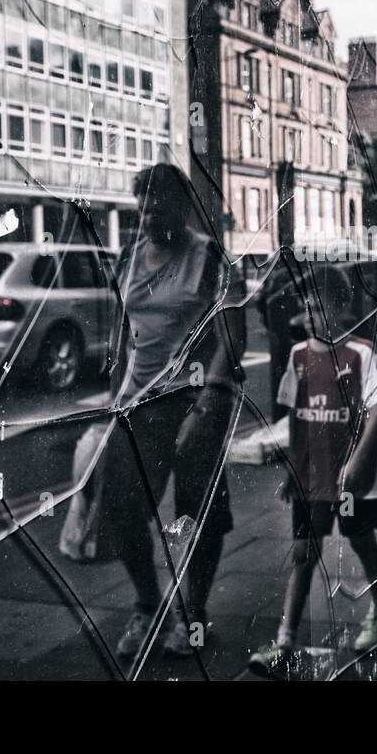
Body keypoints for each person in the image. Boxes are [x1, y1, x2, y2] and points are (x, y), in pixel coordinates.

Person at [103, 163, 246, 664]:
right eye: (141, 205)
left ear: (183, 207)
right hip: (139, 404)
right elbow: (122, 330)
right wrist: (115, 396)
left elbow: (233, 340)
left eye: (157, 206)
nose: (146, 215)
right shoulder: (128, 257)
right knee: (121, 510)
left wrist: (207, 406)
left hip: (194, 403)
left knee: (197, 514)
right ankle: (148, 605)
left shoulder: (209, 258)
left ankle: (194, 611)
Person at [248, 265, 377, 676]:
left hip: (355, 480)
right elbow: (296, 419)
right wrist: (292, 470)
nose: (310, 315)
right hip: (313, 479)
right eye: (306, 307)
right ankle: (286, 640)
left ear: (341, 307)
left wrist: (359, 459)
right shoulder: (298, 356)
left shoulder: (363, 353)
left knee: (362, 541)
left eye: (318, 306)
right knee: (303, 554)